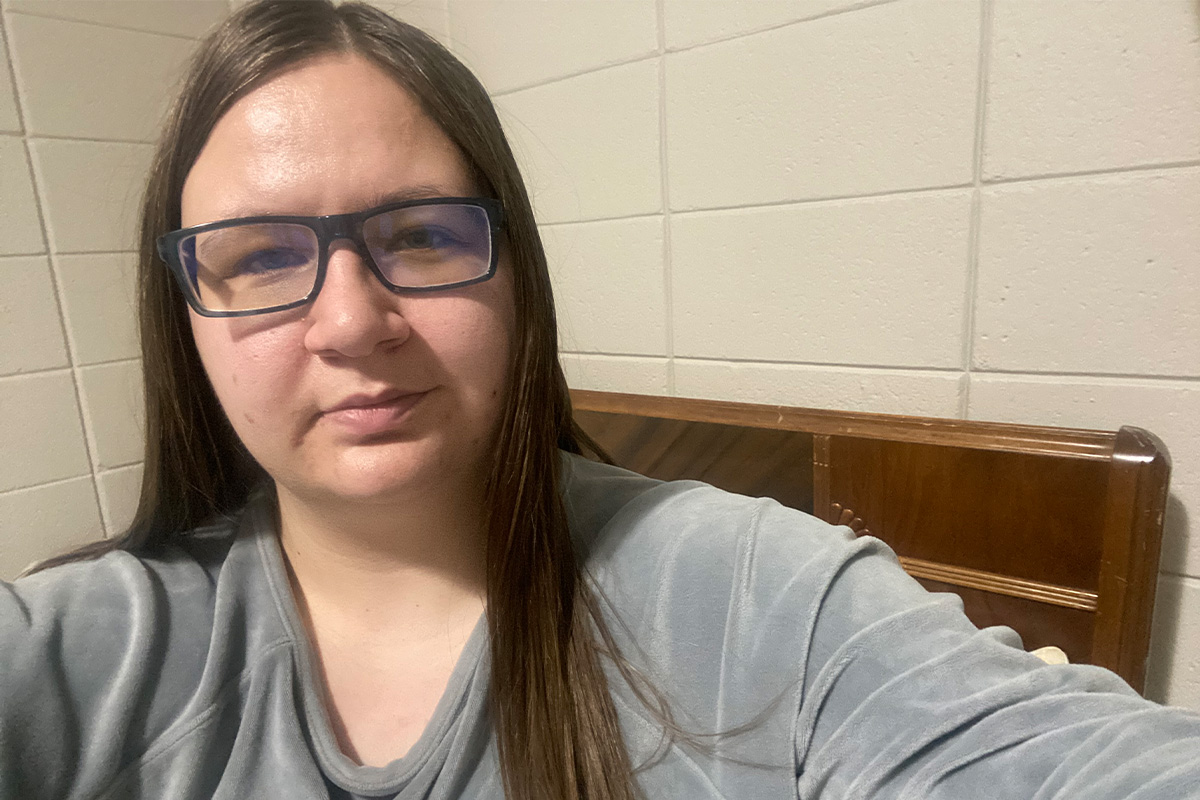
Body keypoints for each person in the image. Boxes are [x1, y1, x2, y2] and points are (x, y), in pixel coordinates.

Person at [2, 1, 1199, 798]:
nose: (353, 318)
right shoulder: (84, 653)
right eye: (259, 255)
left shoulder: (751, 600)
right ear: (186, 320)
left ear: (519, 277)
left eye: (421, 235)